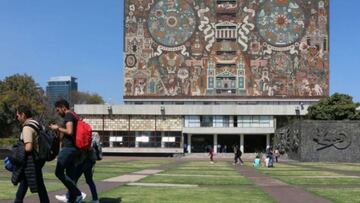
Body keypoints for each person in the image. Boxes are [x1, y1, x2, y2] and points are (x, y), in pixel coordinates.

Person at [49, 99, 83, 203]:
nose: (58, 113)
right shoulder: (74, 115)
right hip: (75, 149)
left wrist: (57, 128)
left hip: (69, 149)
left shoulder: (69, 116)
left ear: (64, 107)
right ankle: (71, 199)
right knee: (70, 175)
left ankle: (77, 193)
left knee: (58, 172)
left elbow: (69, 131)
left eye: (58, 110)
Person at [14, 105, 49, 203]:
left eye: (17, 116)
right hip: (39, 159)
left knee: (28, 185)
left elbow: (28, 147)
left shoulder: (27, 127)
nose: (17, 118)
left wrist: (17, 153)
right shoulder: (38, 124)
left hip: (31, 160)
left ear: (23, 115)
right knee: (34, 185)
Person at [55, 133, 100, 203]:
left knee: (74, 179)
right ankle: (95, 199)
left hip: (83, 161)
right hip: (89, 160)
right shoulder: (91, 136)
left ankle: (73, 195)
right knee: (88, 180)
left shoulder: (85, 137)